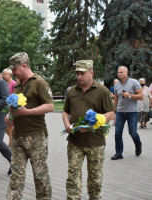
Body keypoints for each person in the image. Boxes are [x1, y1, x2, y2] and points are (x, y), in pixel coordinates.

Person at [62, 60, 115, 200]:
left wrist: (95, 123)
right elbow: (65, 111)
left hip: (95, 143)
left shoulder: (102, 90)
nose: (79, 77)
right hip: (75, 142)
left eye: (82, 73)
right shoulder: (72, 91)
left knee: (95, 179)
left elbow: (111, 113)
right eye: (77, 73)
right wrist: (67, 124)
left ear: (91, 73)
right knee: (73, 177)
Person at [5, 52, 54, 200]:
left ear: (24, 65)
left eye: (15, 70)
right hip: (18, 136)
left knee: (40, 176)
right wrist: (10, 115)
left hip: (36, 136)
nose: (13, 73)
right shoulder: (19, 84)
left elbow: (50, 106)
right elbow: (15, 106)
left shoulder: (39, 82)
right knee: (16, 175)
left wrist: (27, 112)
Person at [111, 66, 143, 160]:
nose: (119, 74)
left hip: (132, 112)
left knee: (132, 132)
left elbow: (141, 96)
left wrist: (129, 96)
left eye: (121, 72)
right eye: (118, 72)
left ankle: (138, 145)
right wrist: (114, 111)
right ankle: (119, 153)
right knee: (117, 133)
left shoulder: (134, 82)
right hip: (120, 112)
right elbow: (116, 99)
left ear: (126, 72)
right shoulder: (117, 85)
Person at [2, 68, 16, 146]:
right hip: (4, 108)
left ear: (10, 75)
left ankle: (10, 145)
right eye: (3, 74)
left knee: (10, 127)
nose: (4, 76)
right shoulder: (4, 83)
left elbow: (15, 96)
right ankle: (13, 140)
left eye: (5, 74)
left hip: (11, 108)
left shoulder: (14, 83)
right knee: (4, 127)